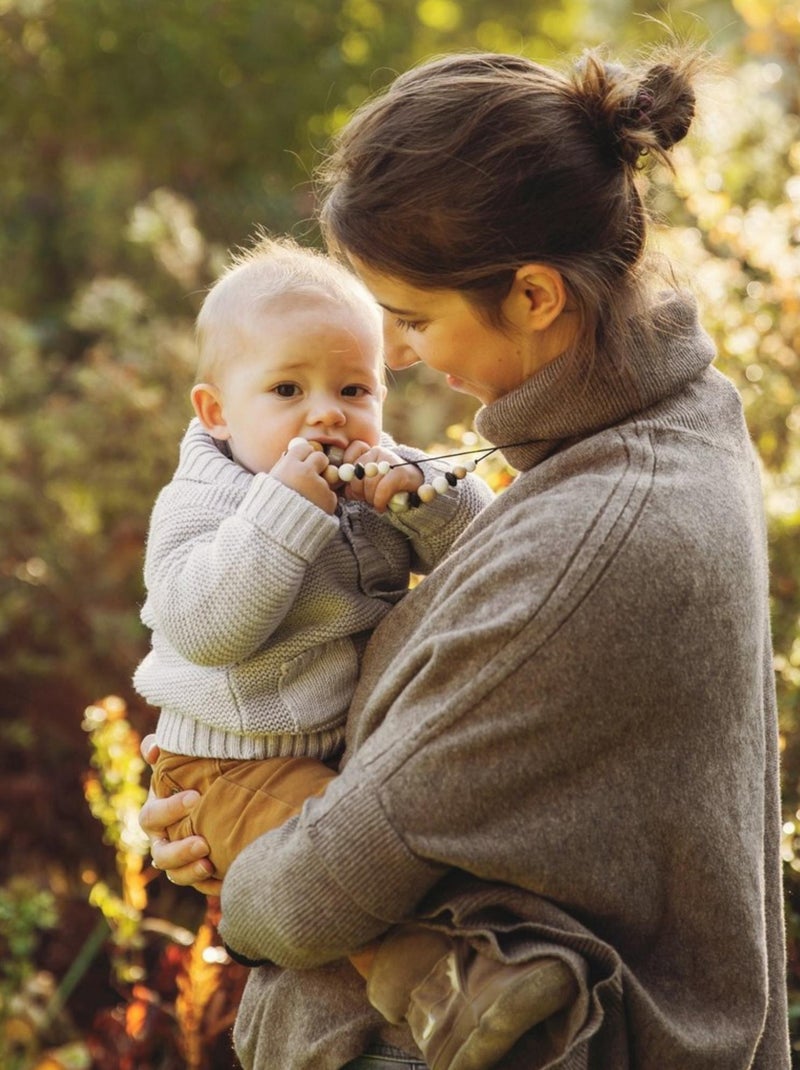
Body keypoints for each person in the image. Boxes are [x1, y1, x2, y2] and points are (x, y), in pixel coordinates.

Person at [140, 46, 791, 1070]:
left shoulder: (587, 538)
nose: (398, 359)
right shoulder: (660, 429)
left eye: (411, 320)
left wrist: (235, 870)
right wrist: (220, 799)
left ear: (533, 296)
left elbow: (320, 891)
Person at [134, 236, 577, 1070]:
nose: (325, 414)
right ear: (215, 412)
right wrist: (284, 512)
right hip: (231, 767)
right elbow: (205, 627)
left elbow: (490, 564)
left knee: (393, 846)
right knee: (340, 864)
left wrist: (427, 504)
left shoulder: (366, 482)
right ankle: (447, 996)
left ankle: (486, 960)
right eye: (286, 390)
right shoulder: (206, 500)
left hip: (331, 749)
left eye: (353, 388)